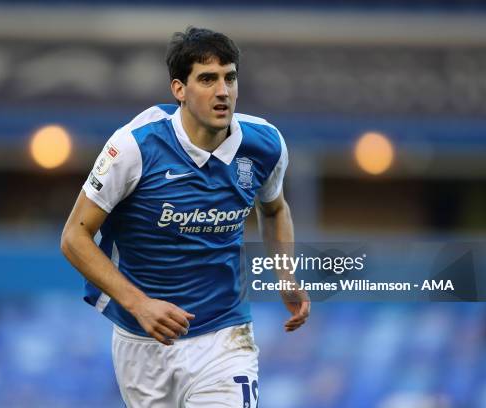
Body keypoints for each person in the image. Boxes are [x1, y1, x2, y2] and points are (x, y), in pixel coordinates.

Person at [61, 26, 310, 407]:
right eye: (207, 79)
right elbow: (74, 238)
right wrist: (140, 303)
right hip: (142, 341)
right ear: (179, 89)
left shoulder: (265, 145)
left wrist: (285, 274)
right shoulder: (134, 147)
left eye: (230, 77)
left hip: (224, 334)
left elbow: (274, 208)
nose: (223, 91)